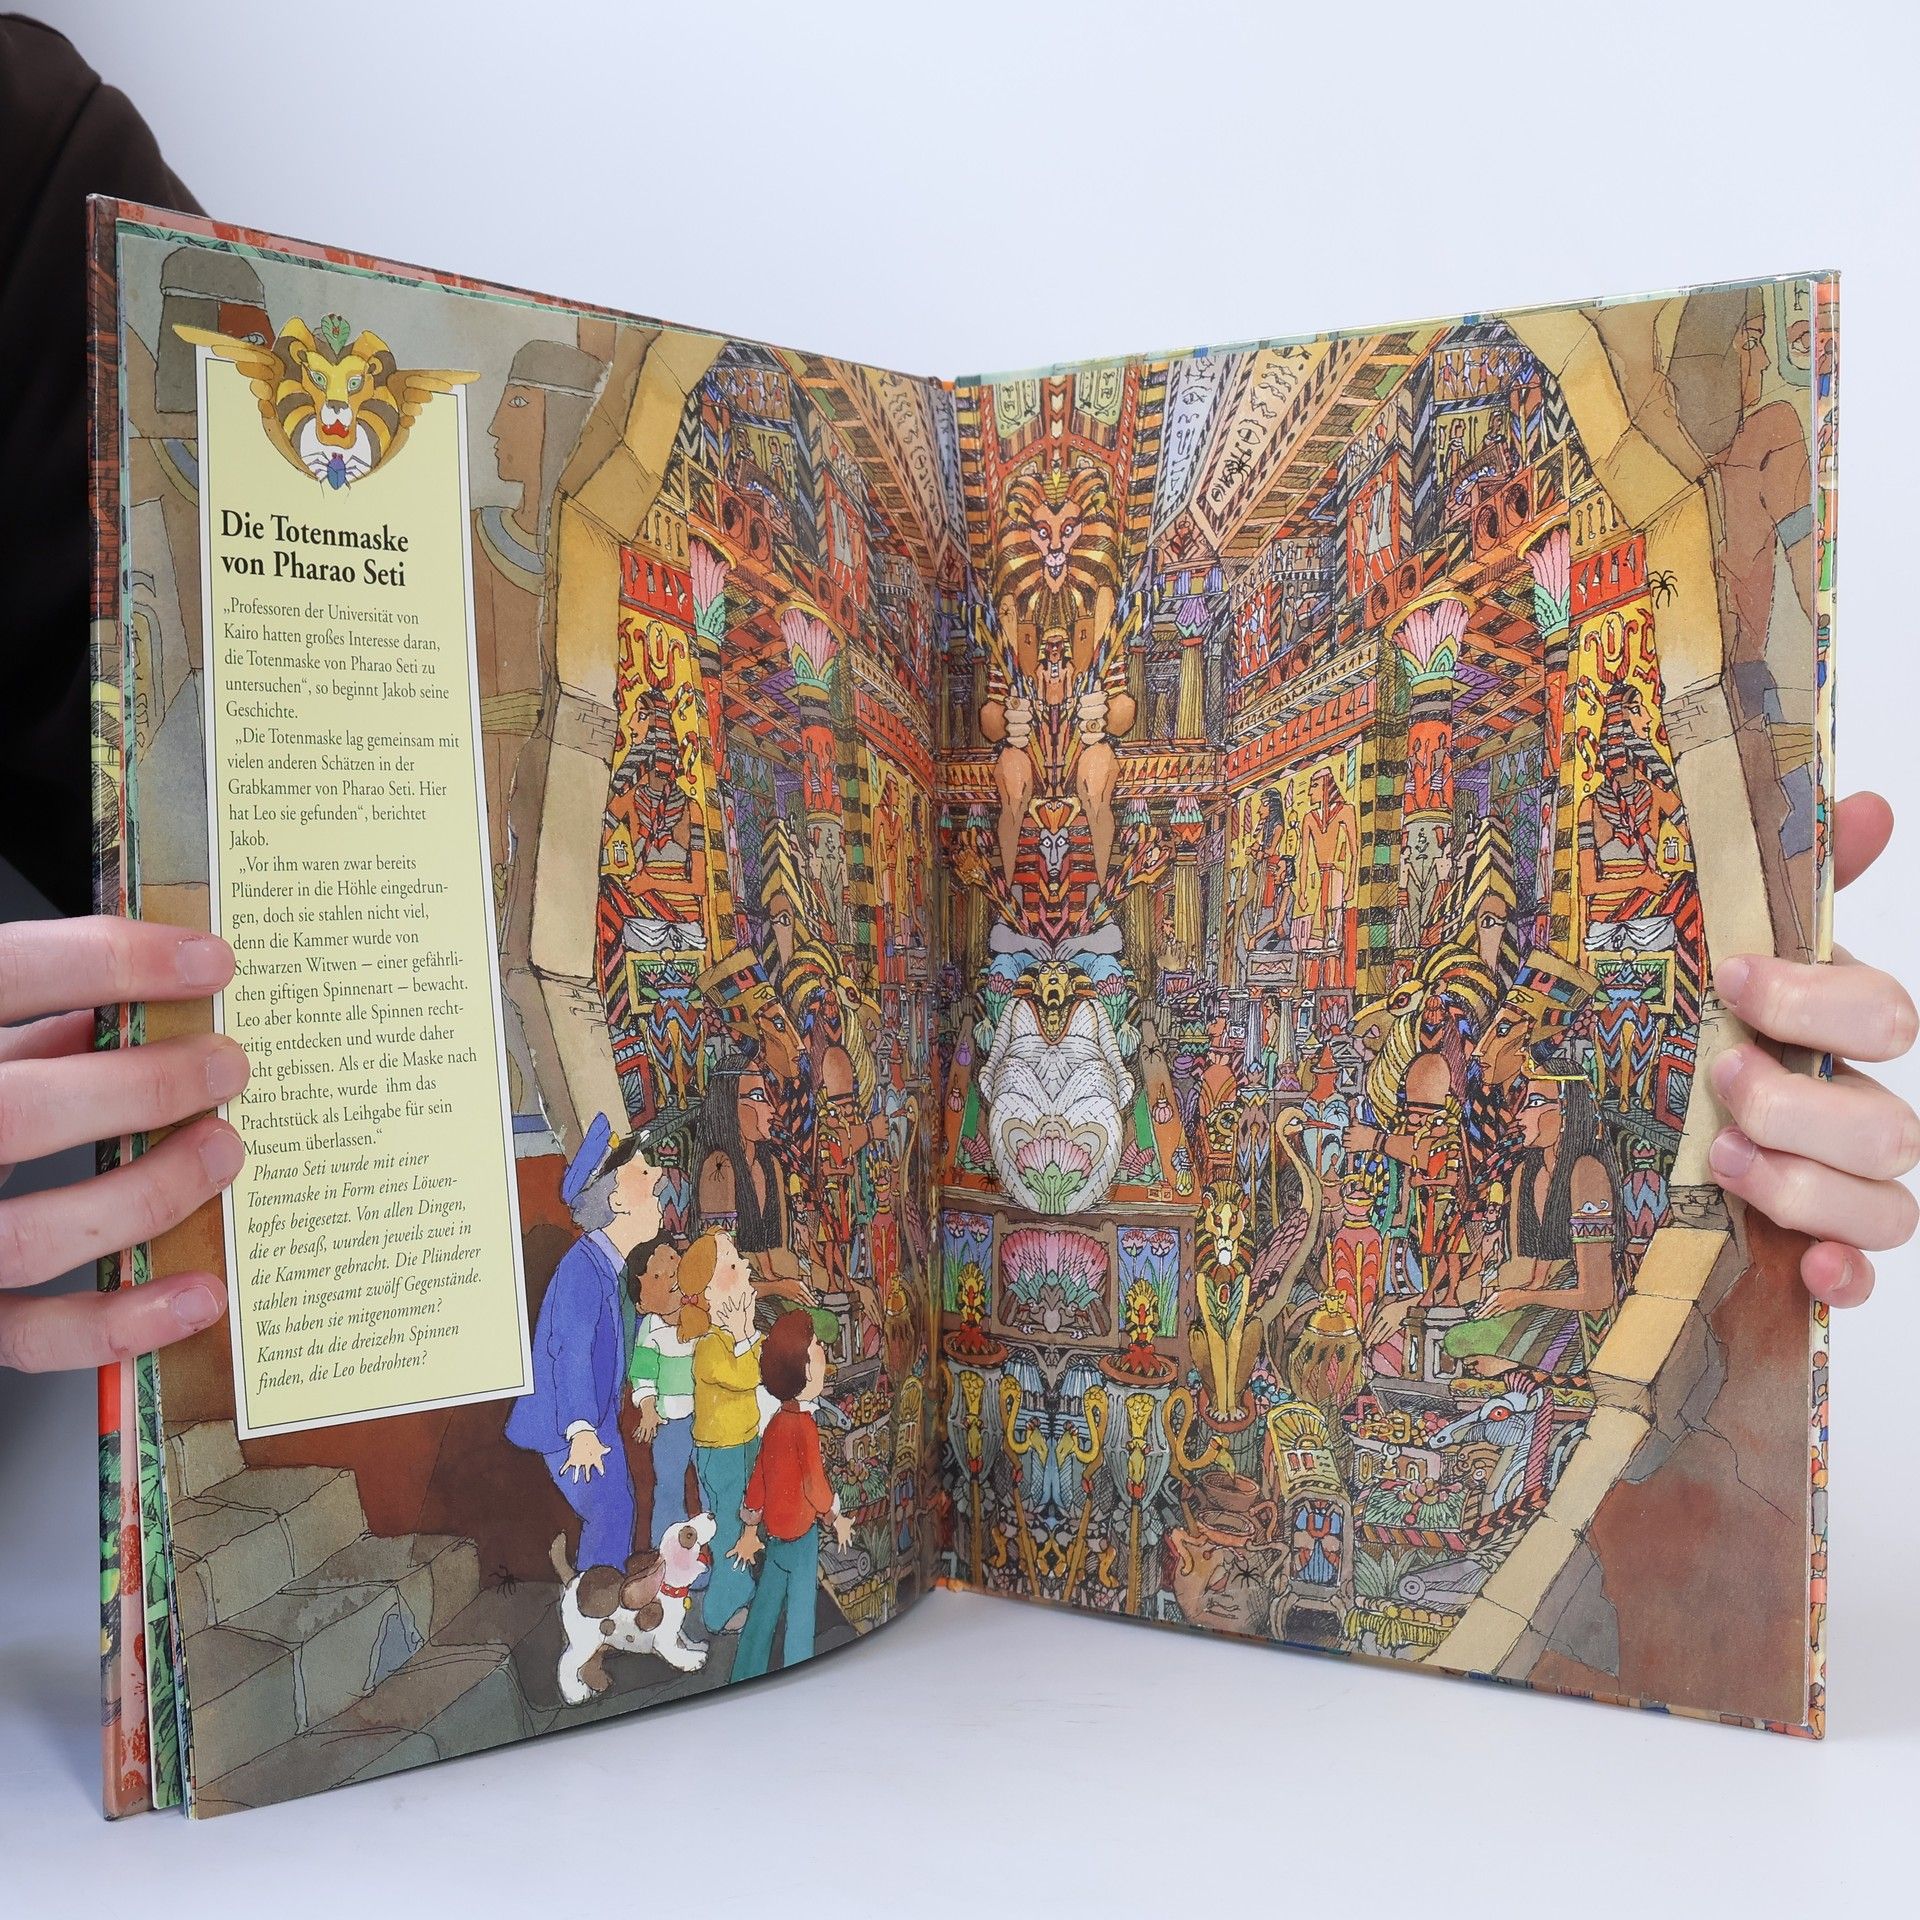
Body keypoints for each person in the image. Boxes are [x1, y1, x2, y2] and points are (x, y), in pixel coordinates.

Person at [503, 1115, 665, 1571]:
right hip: (567, 1422)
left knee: (617, 1508)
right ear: (616, 1199)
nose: (657, 1176)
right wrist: (580, 1430)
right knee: (611, 1512)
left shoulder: (608, 1266)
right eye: (643, 1171)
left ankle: (598, 1596)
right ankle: (597, 1606)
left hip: (595, 1416)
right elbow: (570, 1350)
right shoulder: (582, 1269)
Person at [731, 1309, 854, 1681]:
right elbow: (815, 1486)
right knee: (800, 1612)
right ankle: (800, 1677)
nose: (823, 1353)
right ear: (804, 1367)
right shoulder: (804, 1428)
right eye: (817, 1346)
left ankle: (745, 1672)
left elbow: (759, 1480)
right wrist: (834, 1517)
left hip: (774, 1534)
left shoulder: (775, 1424)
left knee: (765, 1608)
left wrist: (750, 1528)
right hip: (801, 1536)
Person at [686, 1230, 764, 1633]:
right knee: (730, 1527)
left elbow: (762, 1364)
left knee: (749, 1518)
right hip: (721, 1450)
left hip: (747, 1439)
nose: (745, 1266)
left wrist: (747, 1333)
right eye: (733, 1265)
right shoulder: (710, 1345)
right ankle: (720, 1610)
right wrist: (746, 1331)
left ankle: (744, 1591)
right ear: (709, 1292)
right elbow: (748, 1374)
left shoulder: (735, 1336)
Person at [626, 1235, 700, 1546]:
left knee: (709, 1485)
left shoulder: (700, 1316)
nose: (670, 1276)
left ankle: (709, 1551)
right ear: (641, 1303)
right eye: (657, 1276)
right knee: (669, 1487)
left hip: (707, 1418)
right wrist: (648, 1409)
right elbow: (642, 1376)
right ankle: (667, 1553)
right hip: (671, 1424)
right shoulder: (651, 1330)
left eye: (673, 1264)